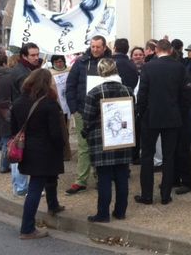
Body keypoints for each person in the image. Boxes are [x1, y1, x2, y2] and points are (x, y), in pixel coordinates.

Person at [135, 39, 191, 205]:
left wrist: (142, 112)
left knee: (147, 156)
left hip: (150, 117)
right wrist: (179, 112)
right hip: (173, 117)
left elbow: (142, 93)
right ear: (171, 50)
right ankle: (165, 195)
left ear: (157, 49)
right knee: (169, 156)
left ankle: (147, 195)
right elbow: (187, 94)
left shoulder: (148, 67)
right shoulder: (180, 67)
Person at [11, 69, 65, 239]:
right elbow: (56, 133)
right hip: (45, 150)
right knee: (35, 187)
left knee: (47, 178)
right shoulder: (49, 104)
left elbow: (14, 128)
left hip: (27, 148)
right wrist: (61, 147)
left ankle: (53, 205)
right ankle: (27, 228)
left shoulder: (19, 102)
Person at [81, 58, 134, 222]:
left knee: (104, 178)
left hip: (101, 139)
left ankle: (103, 213)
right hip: (123, 137)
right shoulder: (128, 90)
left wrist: (85, 132)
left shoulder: (94, 92)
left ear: (100, 72)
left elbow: (87, 118)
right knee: (122, 176)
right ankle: (120, 211)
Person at [65, 35, 112, 195]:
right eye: (93, 46)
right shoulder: (81, 63)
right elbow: (70, 86)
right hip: (82, 110)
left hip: (103, 111)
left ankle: (100, 178)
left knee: (101, 147)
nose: (95, 49)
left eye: (98, 47)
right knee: (84, 147)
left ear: (104, 47)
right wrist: (74, 109)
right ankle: (81, 180)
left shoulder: (110, 63)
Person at [10, 43, 41, 197]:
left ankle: (19, 186)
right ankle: (21, 187)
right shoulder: (23, 73)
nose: (36, 58)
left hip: (20, 114)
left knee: (18, 149)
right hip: (23, 116)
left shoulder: (26, 69)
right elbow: (30, 96)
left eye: (37, 54)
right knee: (20, 150)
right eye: (33, 55)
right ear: (24, 56)